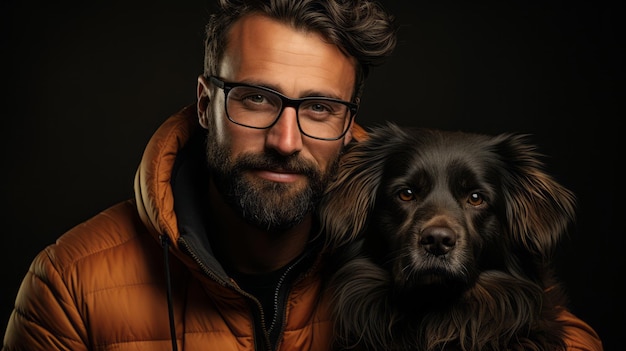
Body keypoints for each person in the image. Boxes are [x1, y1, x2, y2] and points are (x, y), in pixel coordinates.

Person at [2, 0, 603, 350]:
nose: (285, 141)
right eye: (257, 98)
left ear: (347, 123)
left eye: (319, 108)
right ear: (206, 99)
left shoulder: (399, 248)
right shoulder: (71, 283)